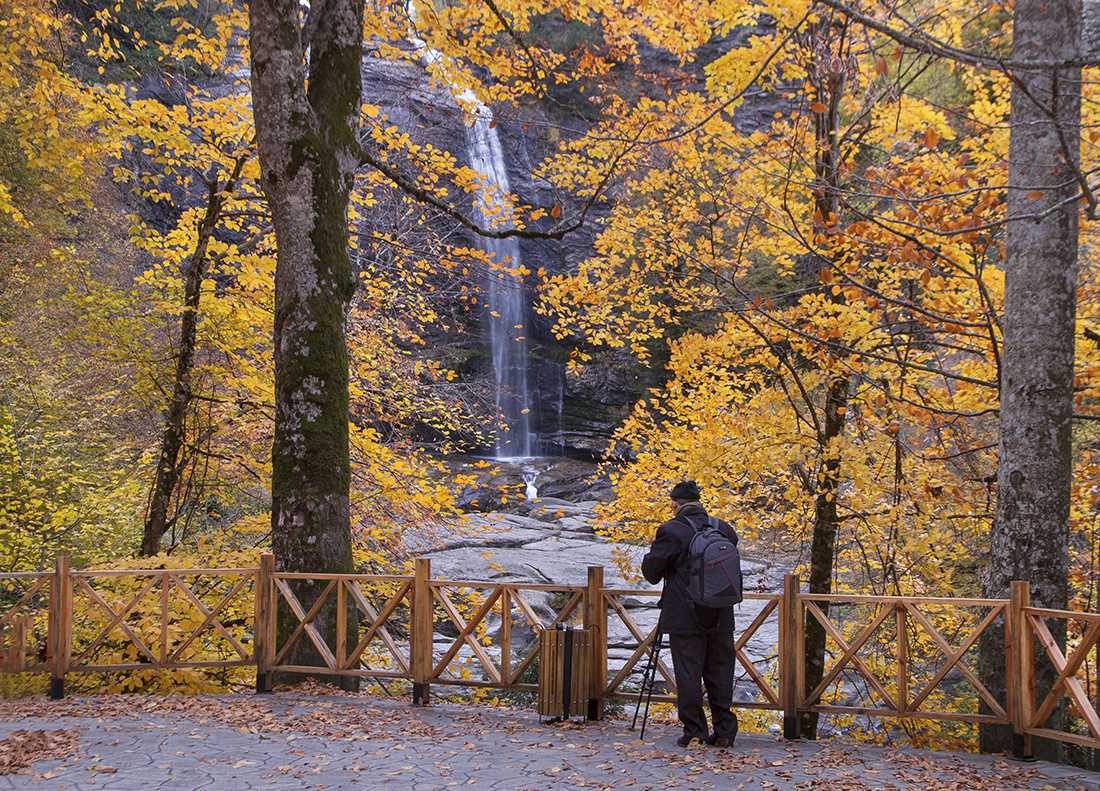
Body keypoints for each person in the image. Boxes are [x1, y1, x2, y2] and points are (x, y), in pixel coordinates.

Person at [641, 480, 739, 748]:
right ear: (699, 501)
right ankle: (725, 733)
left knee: (688, 674)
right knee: (720, 673)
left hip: (685, 616)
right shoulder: (724, 529)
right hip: (721, 614)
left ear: (675, 503)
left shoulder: (672, 530)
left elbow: (651, 574)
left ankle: (695, 732)